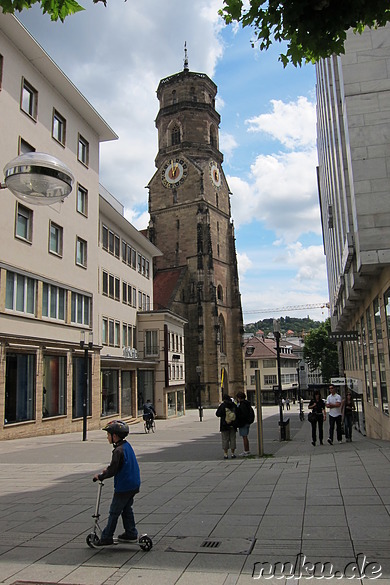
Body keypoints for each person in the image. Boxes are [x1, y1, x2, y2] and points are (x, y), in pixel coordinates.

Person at [92, 420, 140, 546]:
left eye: (108, 434)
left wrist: (101, 476)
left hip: (124, 486)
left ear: (115, 436)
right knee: (126, 509)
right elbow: (118, 465)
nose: (107, 437)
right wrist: (107, 470)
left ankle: (107, 536)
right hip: (133, 484)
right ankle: (131, 533)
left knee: (114, 511)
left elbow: (113, 469)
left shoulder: (118, 451)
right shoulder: (126, 446)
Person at [216, 394, 237, 459]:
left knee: (225, 439)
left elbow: (217, 414)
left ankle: (226, 454)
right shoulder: (234, 405)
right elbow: (237, 413)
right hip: (233, 425)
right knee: (232, 439)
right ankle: (233, 454)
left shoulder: (223, 405)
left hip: (224, 425)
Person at [236, 391, 254, 456]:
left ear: (239, 398)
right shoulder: (247, 403)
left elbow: (243, 414)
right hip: (247, 422)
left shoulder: (242, 404)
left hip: (243, 423)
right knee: (245, 436)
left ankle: (246, 451)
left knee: (244, 437)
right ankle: (246, 450)